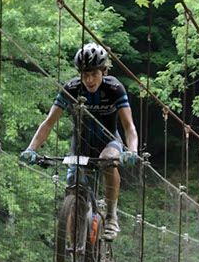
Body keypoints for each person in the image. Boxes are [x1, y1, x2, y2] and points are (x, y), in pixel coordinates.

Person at [20, 42, 138, 240]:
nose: (89, 80)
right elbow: (48, 123)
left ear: (103, 71)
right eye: (85, 75)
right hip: (80, 146)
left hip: (109, 141)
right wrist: (31, 149)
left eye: (94, 74)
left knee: (109, 160)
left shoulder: (115, 88)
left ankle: (111, 216)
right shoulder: (72, 88)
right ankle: (76, 256)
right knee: (72, 189)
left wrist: (132, 151)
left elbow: (129, 127)